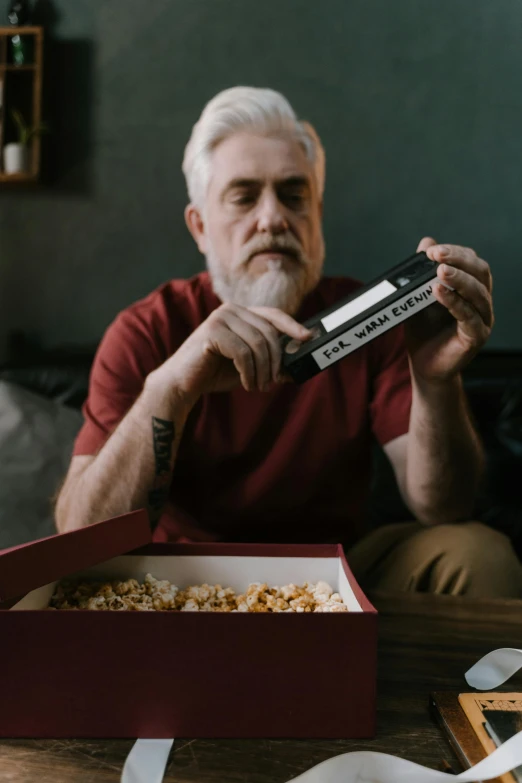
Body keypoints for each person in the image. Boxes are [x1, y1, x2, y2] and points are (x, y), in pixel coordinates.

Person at [55, 86, 522, 597]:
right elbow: (79, 541)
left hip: (335, 578)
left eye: (294, 196)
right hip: (180, 584)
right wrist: (171, 388)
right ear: (201, 227)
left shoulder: (374, 321)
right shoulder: (148, 329)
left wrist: (436, 380)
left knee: (478, 553)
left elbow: (444, 507)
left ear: (317, 216)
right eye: (244, 196)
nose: (274, 218)